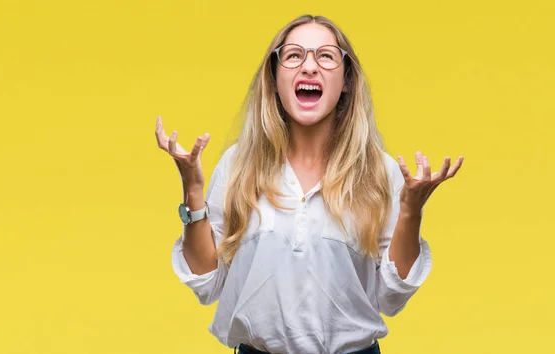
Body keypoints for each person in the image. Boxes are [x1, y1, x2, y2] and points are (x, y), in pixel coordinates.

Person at [155, 14, 463, 354]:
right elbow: (206, 283)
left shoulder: (378, 172)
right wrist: (193, 192)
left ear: (346, 81)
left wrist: (411, 211)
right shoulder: (238, 165)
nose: (309, 67)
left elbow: (391, 298)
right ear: (274, 78)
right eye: (293, 55)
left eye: (326, 56)